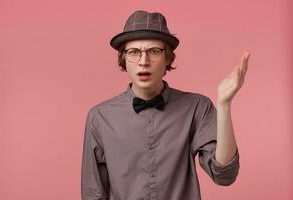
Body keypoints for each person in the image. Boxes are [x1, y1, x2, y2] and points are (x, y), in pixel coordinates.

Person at [81, 10, 250, 200]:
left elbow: (224, 176)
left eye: (154, 51)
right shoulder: (100, 117)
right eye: (134, 52)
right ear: (123, 59)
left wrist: (224, 104)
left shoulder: (196, 107)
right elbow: (93, 193)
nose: (143, 62)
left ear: (168, 57)